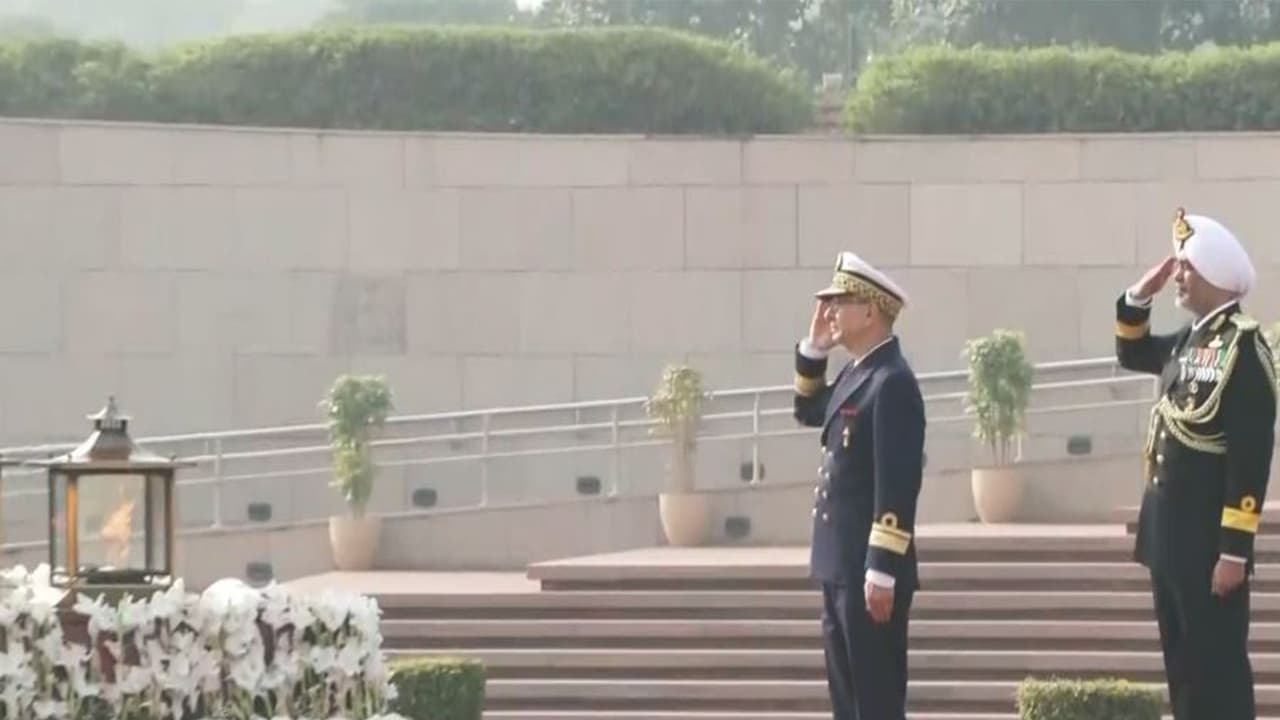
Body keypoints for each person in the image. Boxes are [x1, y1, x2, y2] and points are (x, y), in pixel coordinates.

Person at [1116, 207, 1277, 720]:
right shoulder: (1190, 341)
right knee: (1183, 669)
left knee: (1218, 671)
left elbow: (1251, 457)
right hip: (1168, 537)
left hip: (1209, 544)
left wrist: (1235, 550)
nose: (1177, 276)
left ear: (1218, 275)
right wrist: (1138, 297)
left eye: (1186, 266)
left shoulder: (1242, 346)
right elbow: (1132, 352)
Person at [793, 251, 926, 720]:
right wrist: (814, 352)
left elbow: (898, 484)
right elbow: (811, 411)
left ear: (870, 310)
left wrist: (882, 569)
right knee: (847, 703)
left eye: (840, 301)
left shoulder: (891, 382)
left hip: (866, 574)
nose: (829, 311)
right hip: (839, 565)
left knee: (875, 702)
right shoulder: (858, 373)